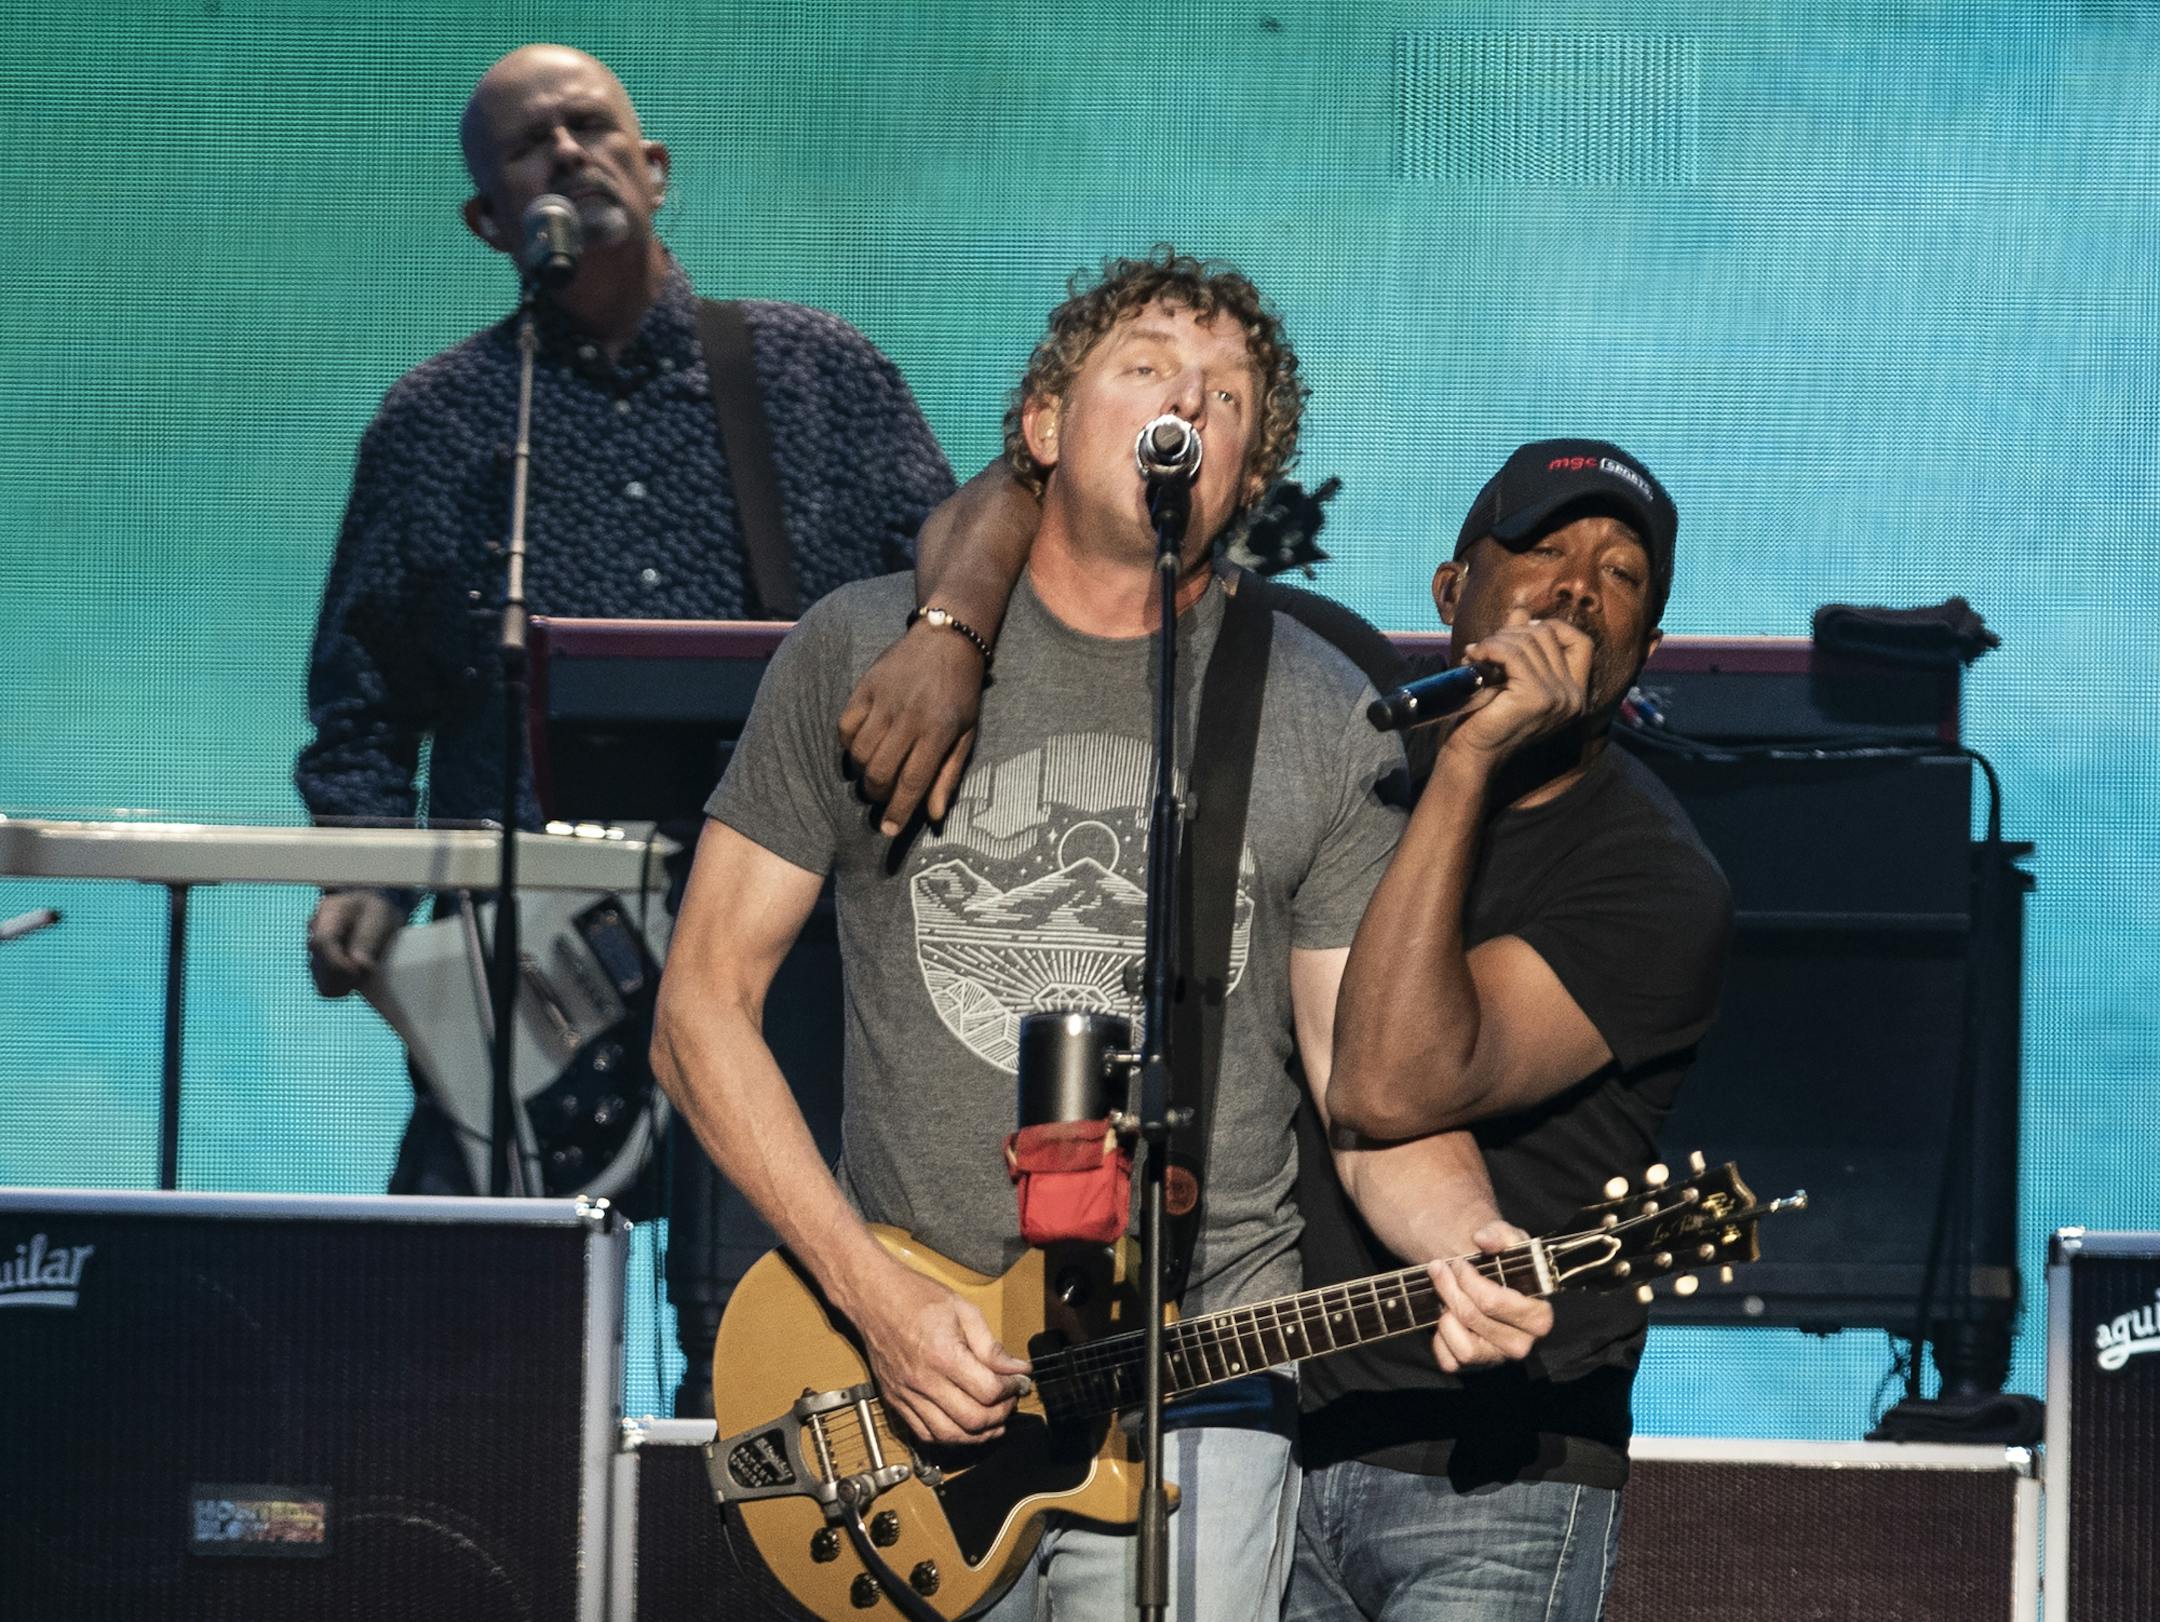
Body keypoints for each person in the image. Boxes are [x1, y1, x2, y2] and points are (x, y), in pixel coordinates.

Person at [650, 249, 1552, 1621]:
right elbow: (701, 1004)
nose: (1185, 397)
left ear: (1245, 478)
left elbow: (1363, 1083)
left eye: (1227, 394)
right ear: (1042, 426)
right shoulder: (857, 651)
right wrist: (872, 1295)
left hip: (1203, 1379)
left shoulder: (1321, 712)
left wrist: (1468, 1234)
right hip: (912, 1375)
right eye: (1145, 365)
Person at [292, 43, 963, 1193]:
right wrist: (361, 874)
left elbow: (946, 604)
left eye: (590, 126)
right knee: (461, 1327)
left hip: (773, 944)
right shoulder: (435, 426)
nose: (565, 150)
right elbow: (364, 700)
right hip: (526, 976)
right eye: (526, 144)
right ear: (486, 220)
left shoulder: (819, 378)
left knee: (760, 1334)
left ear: (653, 168)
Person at [1288, 440, 1735, 1621]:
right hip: (1276, 1439)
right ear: (1450, 594)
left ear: (1643, 653)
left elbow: (1388, 1083)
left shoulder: (1656, 880)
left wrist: (1468, 756)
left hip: (1500, 1480)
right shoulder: (1346, 778)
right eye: (1543, 549)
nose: (1579, 586)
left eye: (1623, 573)